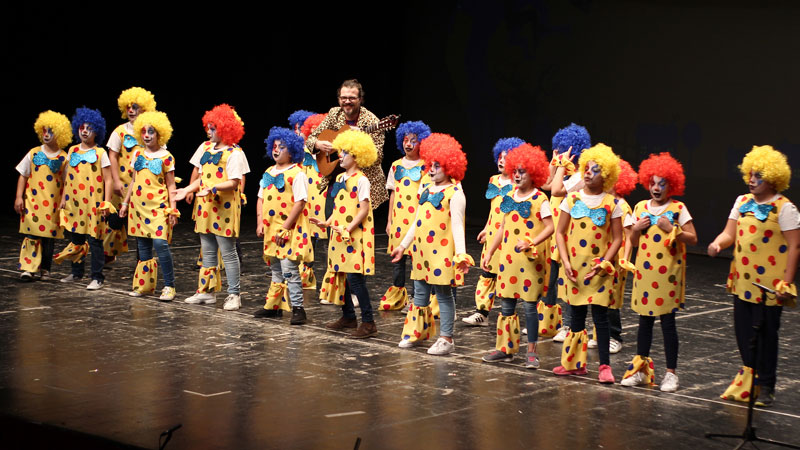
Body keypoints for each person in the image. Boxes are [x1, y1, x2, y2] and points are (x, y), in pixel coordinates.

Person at [709, 145, 799, 406]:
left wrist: (787, 282)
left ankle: (766, 384)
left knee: (767, 334)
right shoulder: (742, 202)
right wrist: (718, 244)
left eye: (758, 175)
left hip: (771, 286)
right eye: (750, 174)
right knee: (743, 333)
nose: (752, 180)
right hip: (743, 281)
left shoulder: (785, 208)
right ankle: (750, 379)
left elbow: (795, 246)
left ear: (773, 177)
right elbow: (730, 233)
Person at [619, 153, 697, 392]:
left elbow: (693, 238)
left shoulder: (678, 208)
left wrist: (672, 228)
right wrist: (637, 229)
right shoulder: (640, 207)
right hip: (645, 272)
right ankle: (640, 369)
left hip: (668, 275)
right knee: (644, 321)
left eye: (662, 183)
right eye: (653, 183)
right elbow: (632, 238)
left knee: (667, 322)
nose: (656, 188)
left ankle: (671, 374)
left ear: (671, 185)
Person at [392, 133, 473, 355]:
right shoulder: (426, 190)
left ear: (450, 167)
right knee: (419, 294)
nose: (433, 169)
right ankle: (416, 332)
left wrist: (462, 254)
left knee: (443, 295)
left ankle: (446, 338)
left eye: (438, 166)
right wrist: (402, 245)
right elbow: (416, 222)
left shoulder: (455, 193)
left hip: (442, 253)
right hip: (422, 251)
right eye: (431, 165)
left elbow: (458, 226)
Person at [552, 144, 623, 383]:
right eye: (587, 168)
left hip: (598, 270)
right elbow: (560, 233)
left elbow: (618, 238)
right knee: (577, 317)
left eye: (596, 169)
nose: (589, 172)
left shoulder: (612, 204)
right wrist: (565, 260)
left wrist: (604, 261)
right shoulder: (571, 199)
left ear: (607, 175)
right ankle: (574, 363)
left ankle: (604, 366)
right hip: (574, 267)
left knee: (600, 318)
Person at [479, 143, 553, 368]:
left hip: (530, 260)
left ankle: (532, 351)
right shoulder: (509, 195)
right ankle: (505, 348)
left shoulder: (540, 199)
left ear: (534, 173)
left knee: (530, 306)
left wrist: (532, 242)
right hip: (508, 259)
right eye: (516, 171)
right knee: (507, 305)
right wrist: (491, 250)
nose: (518, 175)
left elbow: (550, 227)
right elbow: (502, 226)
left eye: (523, 171)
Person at [172, 104, 248, 311]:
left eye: (213, 128)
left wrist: (213, 188)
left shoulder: (235, 153)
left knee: (228, 251)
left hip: (224, 207)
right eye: (208, 127)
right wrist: (187, 188)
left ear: (224, 129)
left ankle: (234, 294)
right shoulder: (204, 147)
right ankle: (206, 291)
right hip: (205, 206)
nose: (208, 131)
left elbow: (234, 182)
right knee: (207, 251)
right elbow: (201, 177)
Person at [311, 130, 379, 338]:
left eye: (346, 153)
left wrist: (349, 228)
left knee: (355, 279)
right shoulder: (340, 177)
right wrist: (327, 222)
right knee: (341, 276)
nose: (341, 156)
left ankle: (368, 322)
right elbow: (339, 207)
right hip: (339, 234)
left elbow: (364, 209)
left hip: (354, 236)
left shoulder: (362, 180)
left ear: (357, 156)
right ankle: (348, 316)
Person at [253, 127, 313, 325]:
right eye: (275, 146)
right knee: (276, 268)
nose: (277, 150)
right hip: (271, 228)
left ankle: (298, 308)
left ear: (292, 151)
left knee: (289, 269)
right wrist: (260, 221)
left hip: (289, 229)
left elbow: (300, 202)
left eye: (282, 147)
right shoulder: (268, 172)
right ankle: (274, 305)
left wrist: (285, 227)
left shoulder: (297, 174)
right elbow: (260, 198)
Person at [118, 111, 179, 301]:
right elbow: (134, 181)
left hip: (158, 207)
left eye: (151, 132)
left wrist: (173, 209)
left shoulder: (167, 157)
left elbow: (171, 185)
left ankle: (169, 285)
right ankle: (144, 285)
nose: (146, 135)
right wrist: (125, 202)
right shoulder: (137, 153)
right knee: (143, 247)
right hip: (138, 207)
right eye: (144, 131)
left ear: (160, 134)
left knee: (160, 244)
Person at [540, 123, 592, 342]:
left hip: (570, 234)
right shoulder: (563, 171)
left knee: (568, 280)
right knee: (550, 280)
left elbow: (556, 190)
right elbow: (545, 184)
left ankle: (571, 324)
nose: (560, 154)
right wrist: (554, 164)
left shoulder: (582, 177)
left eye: (564, 150)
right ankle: (552, 322)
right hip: (554, 234)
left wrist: (561, 165)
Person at [304, 79, 388, 211]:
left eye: (352, 98)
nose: (347, 101)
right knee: (333, 221)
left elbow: (378, 157)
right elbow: (311, 138)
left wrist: (359, 145)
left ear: (360, 99)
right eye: (343, 98)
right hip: (336, 176)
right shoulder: (334, 114)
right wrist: (318, 144)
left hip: (364, 182)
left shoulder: (373, 122)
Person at [54, 107, 113, 290]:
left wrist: (106, 202)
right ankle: (76, 272)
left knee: (94, 240)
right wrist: (64, 197)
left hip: (93, 203)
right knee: (76, 238)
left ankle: (97, 277)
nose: (85, 131)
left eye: (89, 128)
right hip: (74, 202)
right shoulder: (72, 150)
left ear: (97, 131)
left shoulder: (100, 153)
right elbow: (67, 177)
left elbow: (108, 179)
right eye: (82, 127)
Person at [462, 138, 518, 327]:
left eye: (507, 158)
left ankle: (509, 315)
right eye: (500, 157)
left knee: (509, 275)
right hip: (493, 231)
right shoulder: (493, 180)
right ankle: (482, 313)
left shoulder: (518, 183)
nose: (502, 161)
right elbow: (493, 208)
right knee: (487, 273)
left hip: (509, 234)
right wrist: (487, 228)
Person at [380, 120, 431, 310]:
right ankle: (398, 295)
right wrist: (389, 220)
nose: (408, 144)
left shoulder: (426, 166)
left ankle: (418, 298)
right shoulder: (395, 166)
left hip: (417, 220)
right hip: (400, 220)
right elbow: (393, 193)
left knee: (417, 260)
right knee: (398, 260)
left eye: (413, 140)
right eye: (405, 140)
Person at [588, 159, 637, 353]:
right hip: (605, 256)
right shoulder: (606, 204)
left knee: (612, 298)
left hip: (617, 261)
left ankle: (615, 336)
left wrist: (625, 258)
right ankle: (600, 334)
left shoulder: (623, 207)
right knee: (600, 296)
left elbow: (629, 236)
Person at [15, 111, 71, 281]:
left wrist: (63, 200)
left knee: (48, 238)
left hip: (52, 204)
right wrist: (19, 197)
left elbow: (68, 181)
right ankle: (28, 268)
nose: (46, 134)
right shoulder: (33, 153)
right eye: (44, 131)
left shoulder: (64, 157)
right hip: (33, 202)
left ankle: (45, 269)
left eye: (51, 131)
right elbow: (23, 175)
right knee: (31, 235)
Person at [105, 87, 157, 260]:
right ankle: (108, 253)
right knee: (115, 221)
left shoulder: (151, 130)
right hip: (122, 185)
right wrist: (116, 180)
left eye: (135, 106)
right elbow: (112, 156)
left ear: (144, 108)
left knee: (142, 225)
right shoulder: (119, 131)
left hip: (144, 186)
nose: (131, 110)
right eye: (128, 107)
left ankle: (142, 261)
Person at [293, 111, 327, 291]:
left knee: (326, 236)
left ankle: (332, 276)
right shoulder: (302, 151)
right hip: (307, 198)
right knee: (308, 236)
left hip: (323, 196)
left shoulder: (329, 153)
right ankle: (306, 272)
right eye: (311, 131)